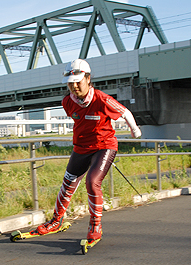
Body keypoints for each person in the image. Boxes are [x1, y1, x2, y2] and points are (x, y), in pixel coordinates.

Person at [34, 59, 142, 243]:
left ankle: (95, 224)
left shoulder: (101, 99)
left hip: (104, 146)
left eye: (78, 81)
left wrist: (135, 130)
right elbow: (80, 119)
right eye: (70, 83)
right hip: (81, 147)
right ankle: (56, 220)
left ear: (88, 78)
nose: (74, 86)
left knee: (92, 182)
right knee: (67, 184)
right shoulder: (67, 102)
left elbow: (124, 112)